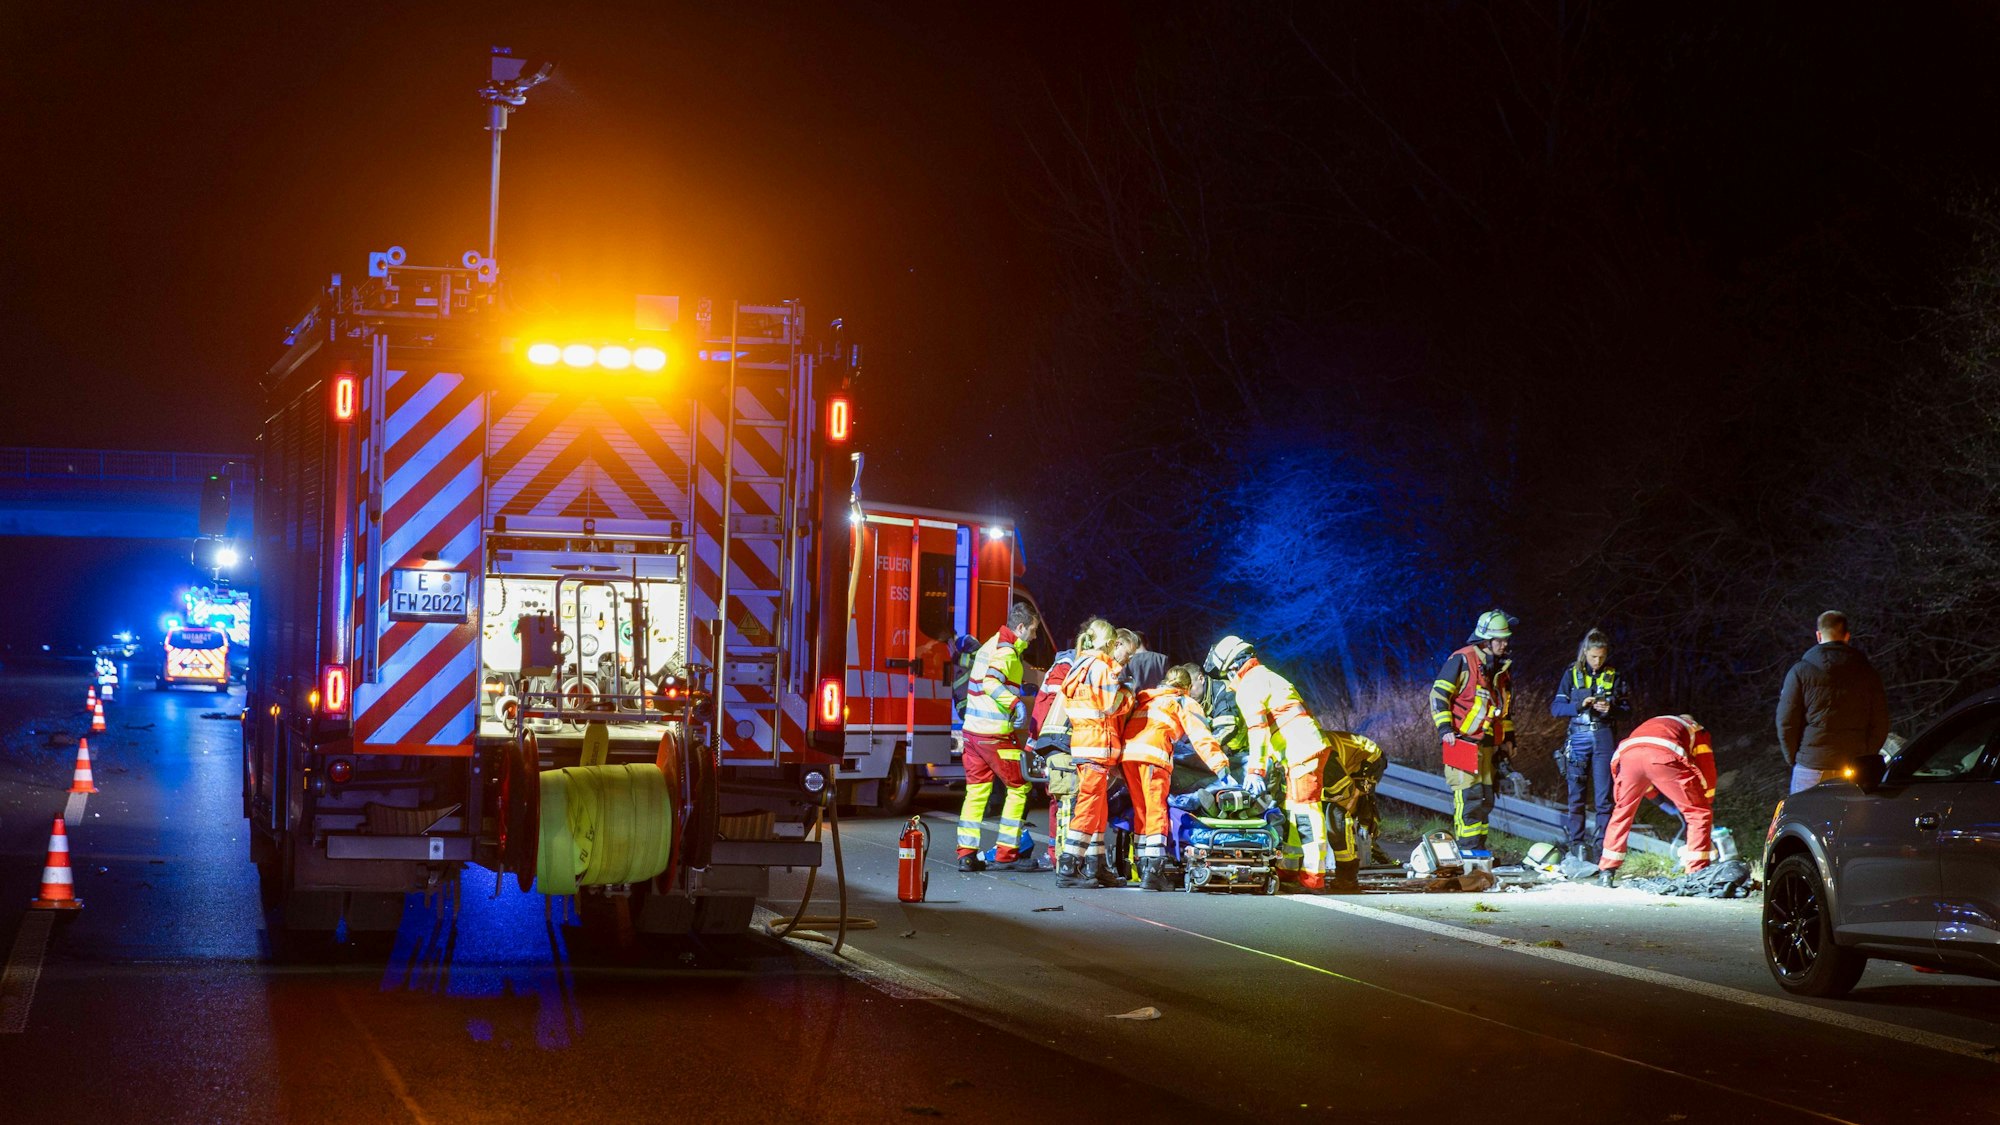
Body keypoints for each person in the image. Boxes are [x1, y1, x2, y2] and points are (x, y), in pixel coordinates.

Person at [1205, 635, 1351, 893]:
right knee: (1294, 810)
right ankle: (1291, 868)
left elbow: (1258, 730)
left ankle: (1313, 877)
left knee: (1306, 812)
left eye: (1226, 674)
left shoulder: (1249, 686)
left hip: (1301, 751)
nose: (1227, 681)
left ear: (1233, 667)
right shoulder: (1266, 676)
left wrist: (1255, 770)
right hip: (1302, 748)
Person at [1120, 664, 1232, 889]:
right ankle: (1154, 871)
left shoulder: (1149, 698)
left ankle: (1142, 865)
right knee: (1156, 810)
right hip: (1153, 757)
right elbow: (1200, 736)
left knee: (1141, 811)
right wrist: (1220, 766)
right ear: (1186, 687)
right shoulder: (1182, 701)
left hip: (1128, 756)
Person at [954, 603, 1041, 872]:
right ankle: (1006, 852)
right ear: (1020, 627)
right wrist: (1015, 703)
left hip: (972, 733)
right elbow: (991, 682)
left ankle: (966, 854)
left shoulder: (991, 644)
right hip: (994, 735)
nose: (1034, 636)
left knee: (976, 792)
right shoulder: (1006, 651)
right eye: (1033, 630)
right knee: (1019, 787)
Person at [1430, 609, 1518, 857]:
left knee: (1485, 798)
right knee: (1469, 797)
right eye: (1499, 640)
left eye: (1506, 639)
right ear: (1485, 640)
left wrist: (1509, 739)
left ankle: (1479, 849)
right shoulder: (1462, 659)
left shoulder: (1501, 669)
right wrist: (1445, 728)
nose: (1504, 644)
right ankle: (1467, 850)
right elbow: (1438, 695)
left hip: (1488, 745)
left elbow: (1505, 710)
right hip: (1462, 742)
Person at [1056, 619, 1134, 888]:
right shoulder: (1100, 667)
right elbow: (1111, 705)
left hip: (1085, 745)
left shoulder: (1080, 665)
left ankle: (1096, 865)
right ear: (1110, 643)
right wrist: (1128, 693)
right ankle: (1069, 866)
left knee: (1097, 809)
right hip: (1096, 747)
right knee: (1089, 808)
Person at [1777, 610, 1890, 794]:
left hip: (1811, 765)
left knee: (1805, 812)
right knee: (1850, 813)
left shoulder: (1800, 671)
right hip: (1854, 766)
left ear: (1818, 635)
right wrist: (1865, 754)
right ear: (1847, 636)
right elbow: (1881, 722)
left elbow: (1786, 721)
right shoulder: (1868, 673)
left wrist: (1797, 757)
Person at [1598, 714, 1718, 884]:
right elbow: (1706, 765)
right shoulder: (1696, 729)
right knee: (1699, 814)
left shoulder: (1657, 723)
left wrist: (1659, 802)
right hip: (1663, 756)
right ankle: (1696, 873)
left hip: (1628, 756)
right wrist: (1705, 801)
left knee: (1622, 812)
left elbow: (1645, 773)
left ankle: (1606, 871)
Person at [1549, 628, 1631, 862]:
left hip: (1604, 737)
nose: (1597, 662)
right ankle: (1576, 844)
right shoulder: (1571, 674)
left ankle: (1602, 847)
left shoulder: (1615, 675)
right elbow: (1556, 708)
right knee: (1576, 796)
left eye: (1601, 657)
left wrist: (1611, 709)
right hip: (1578, 736)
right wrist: (1579, 705)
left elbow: (1627, 711)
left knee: (1604, 798)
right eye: (1594, 656)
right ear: (1585, 652)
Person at [1321, 730, 1388, 890]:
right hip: (1348, 762)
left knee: (1337, 814)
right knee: (1332, 811)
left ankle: (1347, 876)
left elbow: (1342, 792)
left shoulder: (1323, 755)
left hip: (1368, 760)